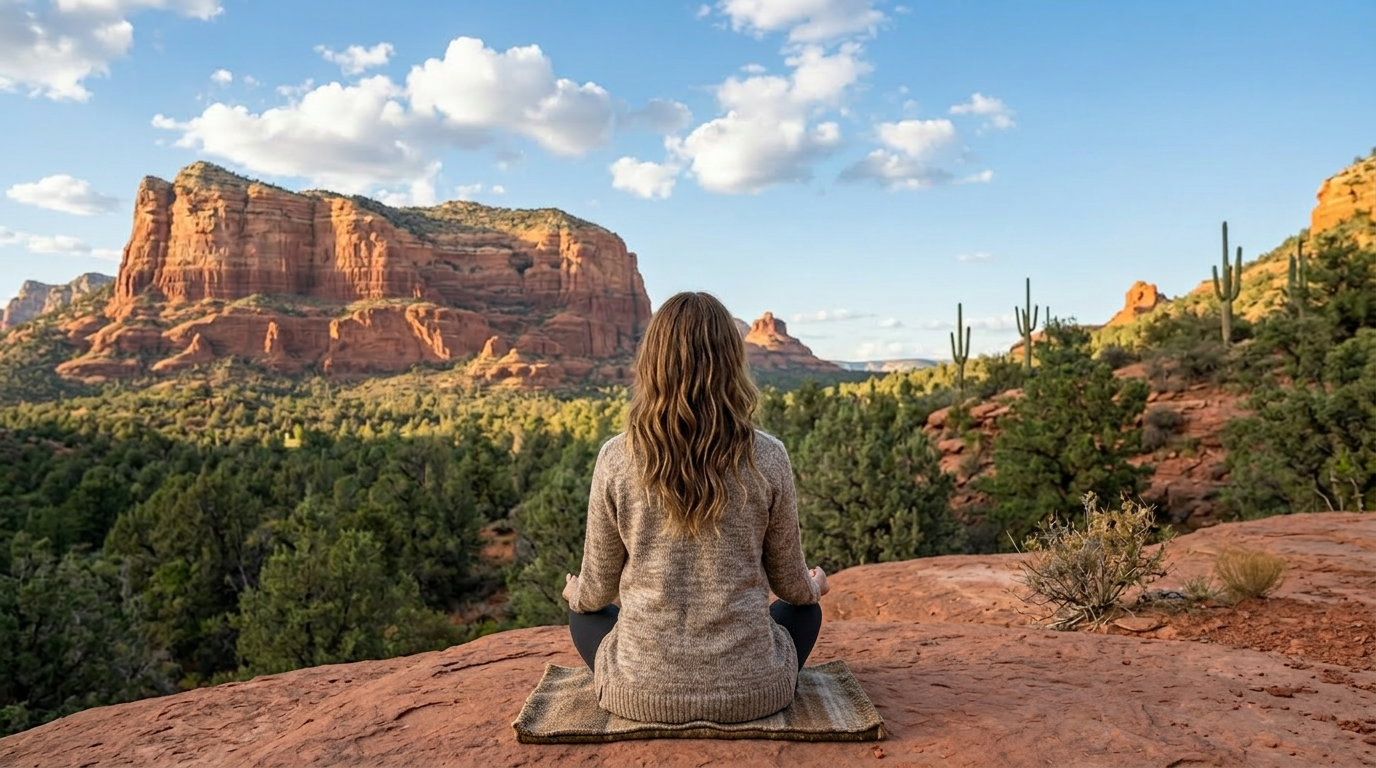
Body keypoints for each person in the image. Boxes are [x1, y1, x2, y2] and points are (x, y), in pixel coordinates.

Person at [561, 291, 830, 725]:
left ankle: (650, 682)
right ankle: (743, 676)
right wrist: (815, 586)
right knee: (805, 612)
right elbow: (792, 588)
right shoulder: (768, 456)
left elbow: (596, 592)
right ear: (732, 363)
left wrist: (574, 593)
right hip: (753, 692)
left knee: (584, 618)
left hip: (640, 692)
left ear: (652, 364)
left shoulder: (616, 457)